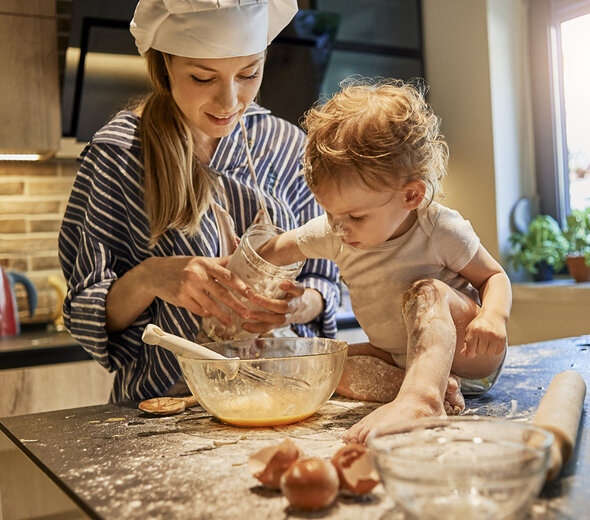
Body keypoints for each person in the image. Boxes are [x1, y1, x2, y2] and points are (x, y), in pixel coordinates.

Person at [58, 0, 339, 403]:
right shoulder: (118, 154)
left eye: (248, 73)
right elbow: (87, 309)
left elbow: (324, 280)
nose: (229, 102)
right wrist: (152, 276)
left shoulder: (286, 146)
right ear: (165, 67)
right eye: (203, 78)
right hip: (167, 407)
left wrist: (297, 307)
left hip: (283, 393)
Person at [256, 79, 512, 443]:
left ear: (411, 195)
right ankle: (432, 390)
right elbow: (277, 248)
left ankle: (423, 400)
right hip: (399, 357)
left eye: (356, 217)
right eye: (330, 215)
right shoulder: (337, 228)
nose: (340, 229)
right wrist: (238, 268)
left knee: (427, 292)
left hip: (470, 353)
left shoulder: (438, 228)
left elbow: (494, 276)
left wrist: (493, 317)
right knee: (329, 363)